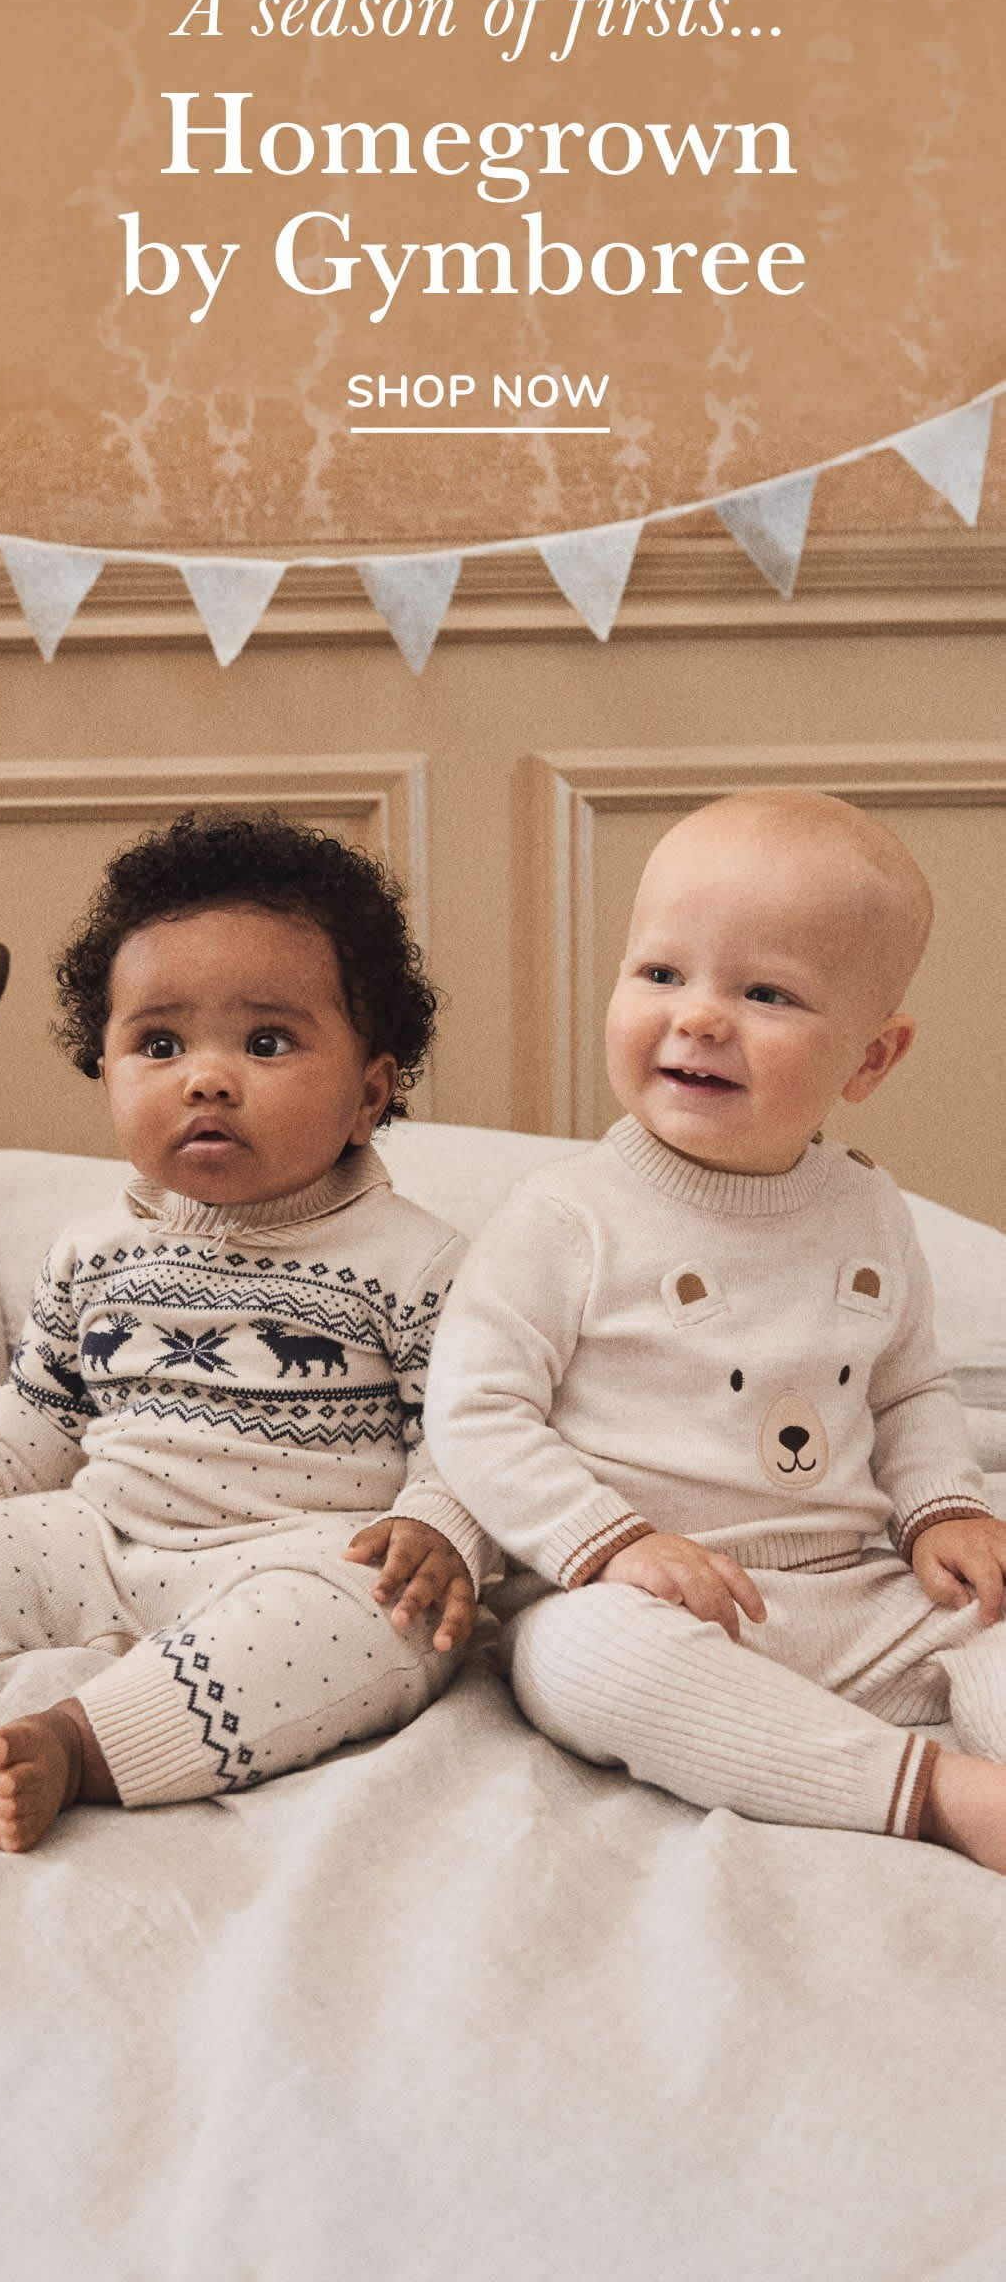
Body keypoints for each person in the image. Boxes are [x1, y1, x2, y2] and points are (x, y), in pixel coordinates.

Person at [425, 789, 1006, 1874]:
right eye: (659, 974)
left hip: (863, 1590)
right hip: (652, 1601)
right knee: (574, 1664)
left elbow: (910, 1389)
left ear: (870, 1061)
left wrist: (944, 1511)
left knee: (993, 1621)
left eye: (766, 992)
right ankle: (929, 1794)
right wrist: (613, 1544)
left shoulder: (869, 1211)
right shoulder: (567, 1218)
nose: (697, 1016)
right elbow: (473, 1409)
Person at [0, 811, 486, 1853]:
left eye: (267, 1042)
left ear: (369, 1092)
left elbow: (472, 1433)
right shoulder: (90, 1251)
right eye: (159, 1044)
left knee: (389, 1624)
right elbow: (35, 1420)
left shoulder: (419, 1264)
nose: (206, 1076)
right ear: (106, 1072)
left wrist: (441, 1527)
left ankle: (77, 1744)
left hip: (304, 1558)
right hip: (98, 1539)